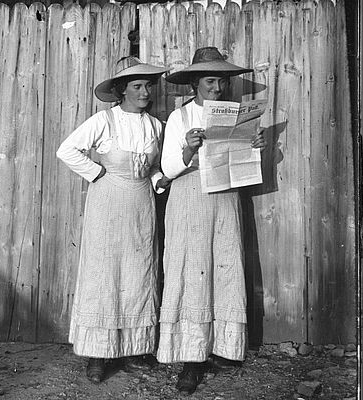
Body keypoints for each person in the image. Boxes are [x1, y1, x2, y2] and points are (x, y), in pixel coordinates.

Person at [157, 47, 266, 394]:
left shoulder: (234, 114)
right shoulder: (181, 118)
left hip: (225, 197)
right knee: (192, 267)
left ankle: (223, 347)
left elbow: (242, 162)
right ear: (195, 84)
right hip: (190, 195)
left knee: (224, 264)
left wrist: (256, 144)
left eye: (221, 81)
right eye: (209, 81)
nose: (216, 88)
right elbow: (168, 169)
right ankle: (191, 358)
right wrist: (188, 149)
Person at [56, 56, 171, 384]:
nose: (145, 91)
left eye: (148, 85)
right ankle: (99, 354)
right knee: (105, 275)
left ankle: (135, 348)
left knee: (139, 272)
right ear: (122, 90)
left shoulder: (155, 126)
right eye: (137, 86)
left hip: (141, 206)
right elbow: (67, 150)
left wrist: (158, 178)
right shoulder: (103, 121)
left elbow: (153, 168)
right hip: (107, 204)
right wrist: (97, 172)